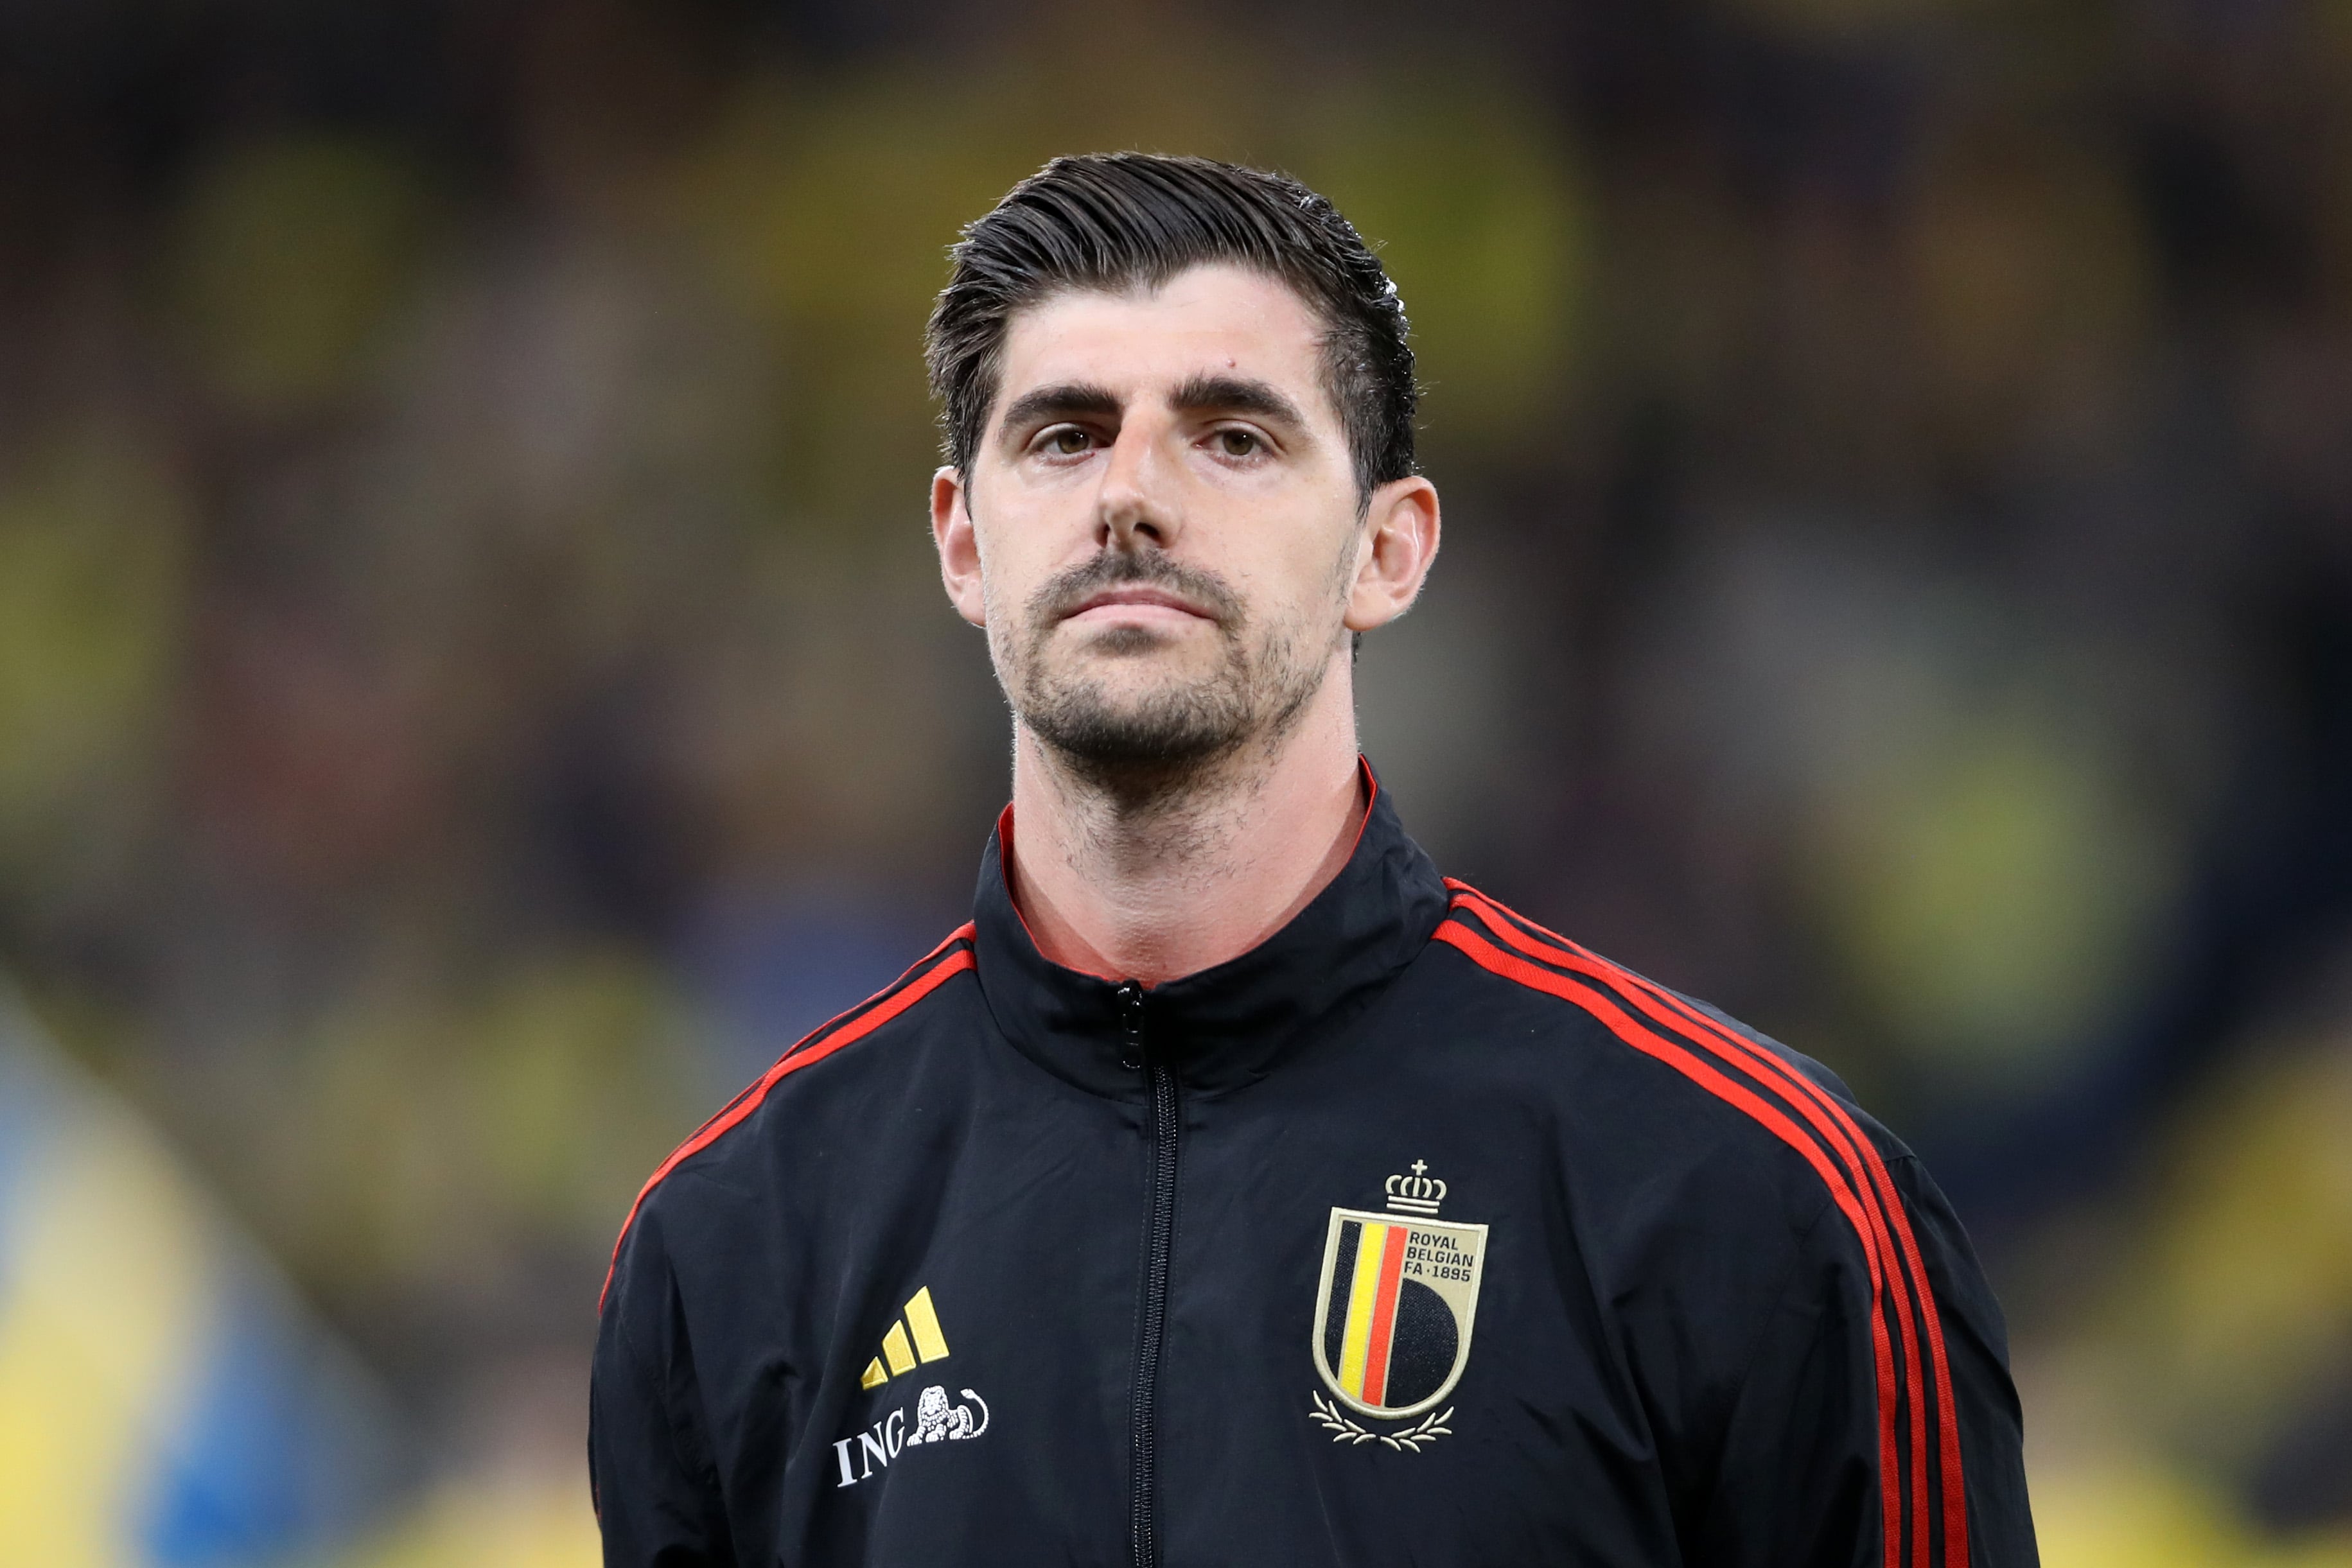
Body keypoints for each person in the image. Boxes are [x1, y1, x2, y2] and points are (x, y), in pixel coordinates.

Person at [590, 152, 2037, 1567]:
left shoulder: (1752, 1198)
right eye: (1063, 435)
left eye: (1233, 436)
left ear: (1385, 552)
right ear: (963, 544)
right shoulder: (733, 1248)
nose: (1131, 496)